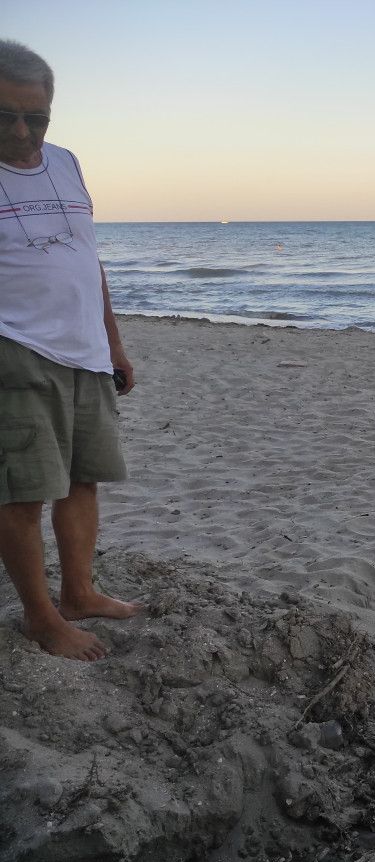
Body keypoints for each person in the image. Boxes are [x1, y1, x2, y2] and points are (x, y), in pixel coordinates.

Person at [0, 39, 140, 661]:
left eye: (37, 116)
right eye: (6, 117)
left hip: (85, 351)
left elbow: (87, 257)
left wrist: (112, 340)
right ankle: (41, 617)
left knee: (84, 480)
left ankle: (79, 592)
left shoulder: (65, 162)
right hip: (17, 348)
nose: (25, 132)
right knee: (21, 491)